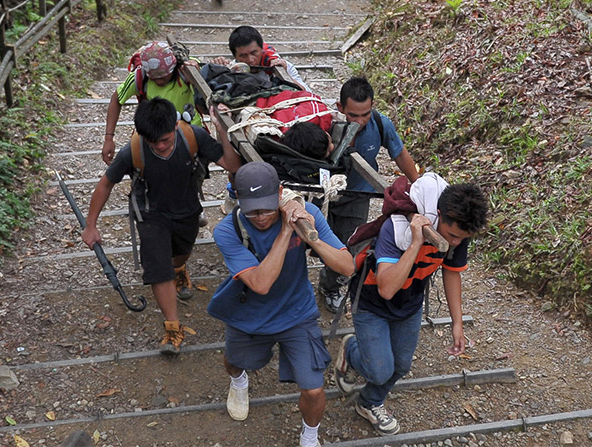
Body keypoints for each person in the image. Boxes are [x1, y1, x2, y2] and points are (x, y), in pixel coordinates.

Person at [208, 162, 354, 447]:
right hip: (249, 311)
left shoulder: (306, 214)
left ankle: (310, 436)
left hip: (296, 312)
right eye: (252, 210)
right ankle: (239, 382)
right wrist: (286, 233)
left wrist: (309, 234)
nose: (260, 217)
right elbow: (261, 284)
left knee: (313, 389)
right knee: (234, 360)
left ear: (280, 194)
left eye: (266, 208)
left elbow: (346, 266)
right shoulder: (227, 231)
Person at [82, 98, 241, 355]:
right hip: (150, 214)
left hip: (186, 211)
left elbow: (232, 166)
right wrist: (91, 226)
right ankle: (172, 328)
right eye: (153, 141)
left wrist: (221, 130)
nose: (160, 145)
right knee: (159, 268)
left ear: (176, 127)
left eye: (165, 139)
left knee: (181, 252)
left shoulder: (193, 136)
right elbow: (105, 184)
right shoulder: (133, 150)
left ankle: (179, 268)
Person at [333, 180, 488, 436]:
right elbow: (386, 288)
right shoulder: (396, 230)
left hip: (410, 303)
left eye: (463, 239)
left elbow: (452, 273)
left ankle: (369, 402)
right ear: (439, 215)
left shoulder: (458, 234)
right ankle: (351, 350)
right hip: (373, 303)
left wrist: (457, 323)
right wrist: (416, 243)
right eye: (453, 237)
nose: (456, 243)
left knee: (401, 365)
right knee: (379, 370)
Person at [318, 77, 420, 313]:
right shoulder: (326, 124)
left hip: (357, 194)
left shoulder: (380, 124)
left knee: (348, 245)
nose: (360, 121)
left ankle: (330, 285)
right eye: (353, 115)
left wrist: (417, 184)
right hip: (322, 193)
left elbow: (400, 154)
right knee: (312, 239)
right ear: (340, 107)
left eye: (365, 114)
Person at [102, 41, 202, 166]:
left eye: (164, 77)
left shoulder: (186, 69)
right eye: (154, 79)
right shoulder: (139, 76)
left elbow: (206, 83)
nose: (159, 81)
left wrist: (195, 70)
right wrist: (108, 138)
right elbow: (116, 100)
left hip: (189, 132)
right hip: (155, 135)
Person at [211, 25, 310, 92]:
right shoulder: (231, 71)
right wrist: (217, 71)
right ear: (235, 56)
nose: (250, 60)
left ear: (262, 49)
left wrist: (285, 76)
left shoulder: (279, 65)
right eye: (243, 56)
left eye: (254, 53)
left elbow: (308, 94)